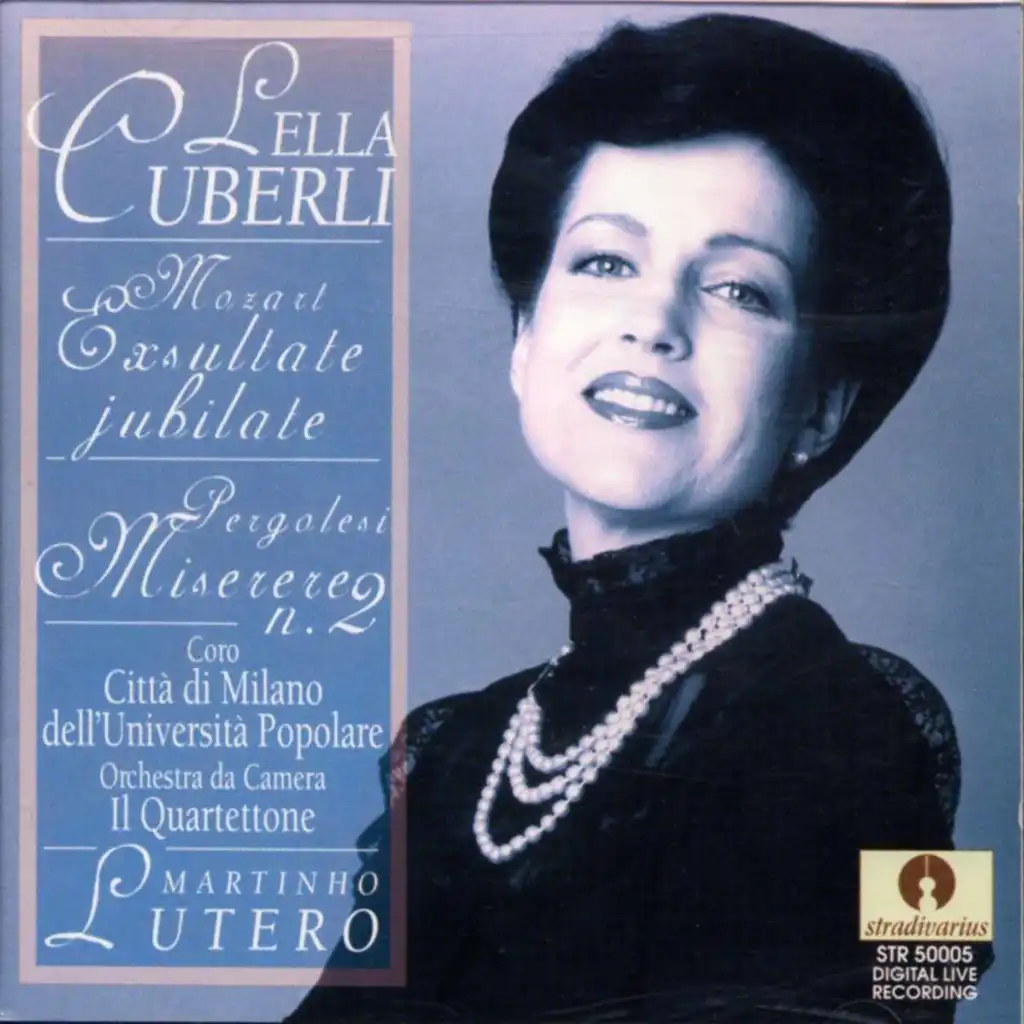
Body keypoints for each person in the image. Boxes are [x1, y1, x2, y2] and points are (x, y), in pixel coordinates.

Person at [287, 13, 992, 1023]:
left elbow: (931, 993)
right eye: (606, 263)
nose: (652, 324)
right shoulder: (450, 752)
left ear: (818, 408)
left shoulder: (869, 727)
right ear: (525, 338)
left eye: (740, 289)